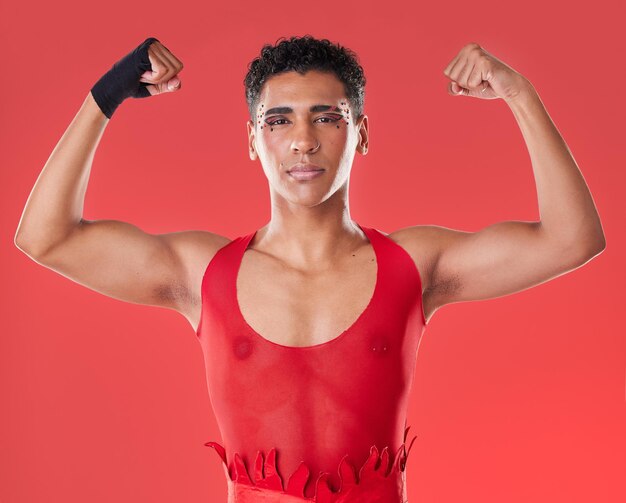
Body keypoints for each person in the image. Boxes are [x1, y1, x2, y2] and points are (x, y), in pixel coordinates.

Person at [14, 36, 605, 502]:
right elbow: (46, 238)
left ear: (361, 133)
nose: (303, 141)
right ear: (252, 140)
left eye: (327, 117)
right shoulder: (202, 272)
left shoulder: (414, 264)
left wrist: (520, 95)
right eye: (279, 120)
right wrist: (106, 96)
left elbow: (571, 239)